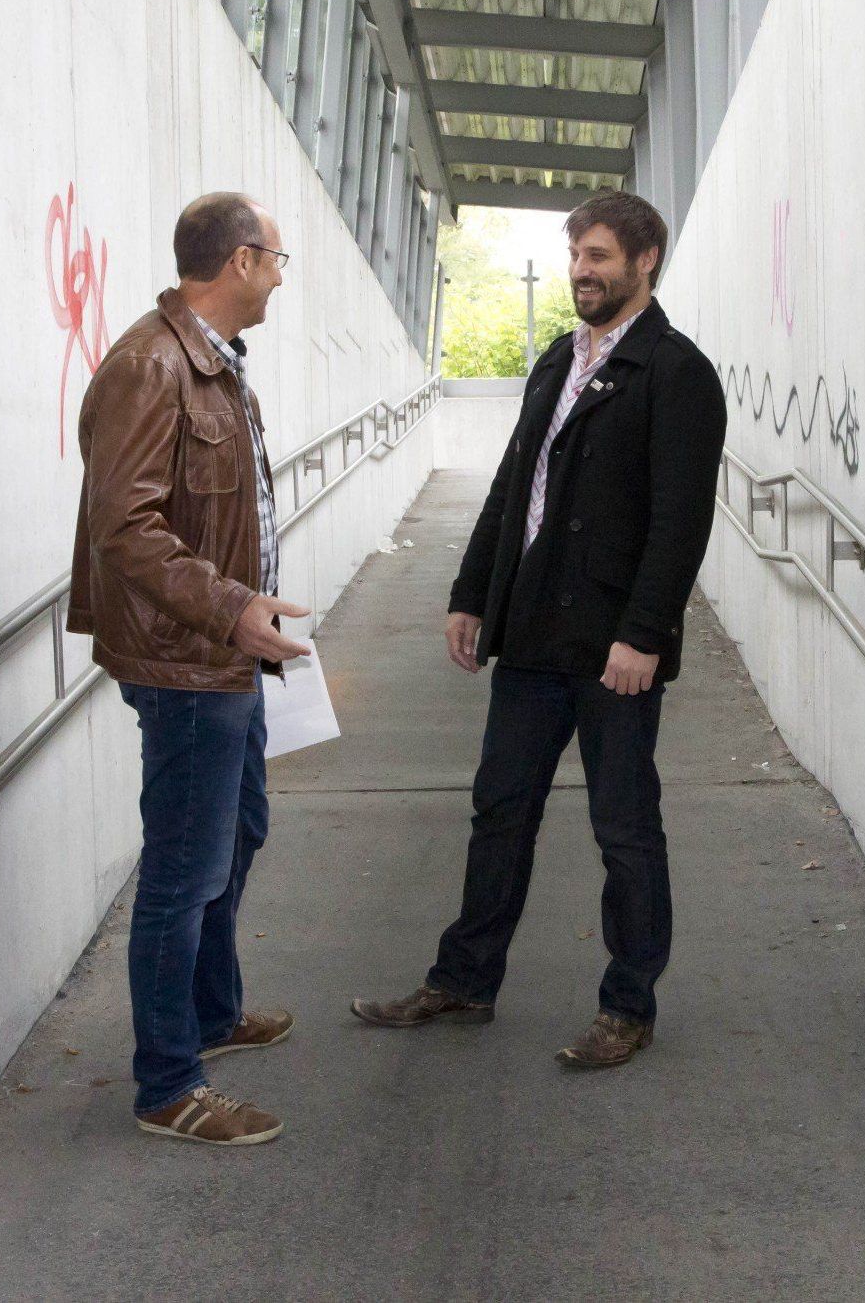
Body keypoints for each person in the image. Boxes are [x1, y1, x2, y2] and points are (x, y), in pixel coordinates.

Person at [352, 191, 727, 1068]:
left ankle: (627, 1004)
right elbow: (513, 488)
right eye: (574, 257)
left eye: (598, 256)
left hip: (612, 652)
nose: (582, 272)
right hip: (532, 636)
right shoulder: (559, 359)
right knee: (499, 809)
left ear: (646, 262)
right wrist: (472, 591)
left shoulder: (677, 373)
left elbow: (681, 523)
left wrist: (645, 635)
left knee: (624, 829)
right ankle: (465, 980)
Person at [68, 192, 308, 1144]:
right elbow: (124, 527)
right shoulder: (148, 363)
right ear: (241, 261)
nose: (282, 279)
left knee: (238, 831)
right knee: (183, 868)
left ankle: (211, 1011)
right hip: (185, 661)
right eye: (279, 260)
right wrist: (232, 606)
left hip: (225, 657)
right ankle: (170, 1083)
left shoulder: (213, 362)